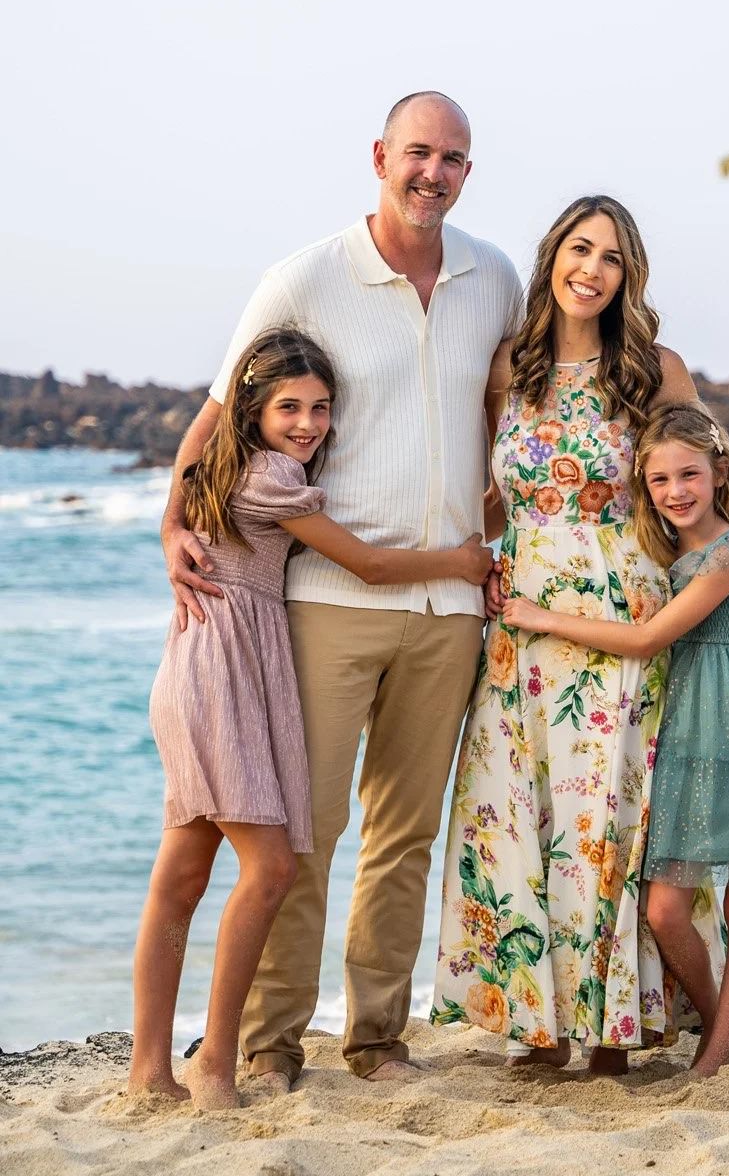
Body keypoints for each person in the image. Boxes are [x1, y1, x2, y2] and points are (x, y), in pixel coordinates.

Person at [159, 93, 523, 1085]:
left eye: (452, 159)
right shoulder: (306, 275)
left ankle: (375, 1038)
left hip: (451, 609)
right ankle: (272, 1044)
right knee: (306, 834)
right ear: (379, 156)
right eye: (418, 153)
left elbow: (528, 400)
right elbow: (216, 413)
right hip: (326, 602)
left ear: (466, 172)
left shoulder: (495, 277)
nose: (432, 173)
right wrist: (171, 523)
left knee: (405, 837)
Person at [432, 195, 729, 1074]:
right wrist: (447, 551)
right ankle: (542, 1020)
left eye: (610, 258)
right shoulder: (506, 368)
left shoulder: (653, 368)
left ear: (628, 276)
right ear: (552, 255)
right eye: (578, 249)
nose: (590, 270)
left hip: (626, 617)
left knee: (612, 822)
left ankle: (616, 1026)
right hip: (521, 625)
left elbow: (717, 494)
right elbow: (498, 493)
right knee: (518, 815)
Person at [130, 328, 494, 1108]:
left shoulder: (248, 470)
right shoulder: (266, 478)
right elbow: (366, 563)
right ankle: (219, 1065)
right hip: (219, 675)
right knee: (269, 869)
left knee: (184, 873)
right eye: (288, 406)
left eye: (321, 407)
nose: (308, 422)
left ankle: (150, 1070)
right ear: (252, 409)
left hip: (210, 669)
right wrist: (462, 561)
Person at [503, 403, 729, 1078]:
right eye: (659, 481)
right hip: (690, 739)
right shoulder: (672, 550)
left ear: (720, 473)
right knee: (666, 909)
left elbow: (647, 638)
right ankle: (720, 1027)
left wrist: (538, 616)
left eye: (688, 474)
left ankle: (712, 1063)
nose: (675, 492)